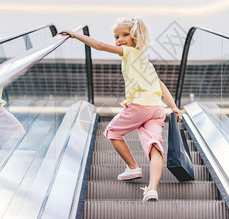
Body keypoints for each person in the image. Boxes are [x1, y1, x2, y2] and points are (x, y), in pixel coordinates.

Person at [59, 17, 182, 202]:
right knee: (155, 146)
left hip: (140, 107)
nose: (119, 40)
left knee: (113, 132)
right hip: (157, 109)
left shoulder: (129, 53)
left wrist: (76, 36)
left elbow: (99, 46)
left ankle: (133, 167)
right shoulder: (144, 60)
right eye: (116, 36)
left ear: (135, 37)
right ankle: (152, 189)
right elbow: (160, 85)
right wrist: (174, 107)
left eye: (125, 35)